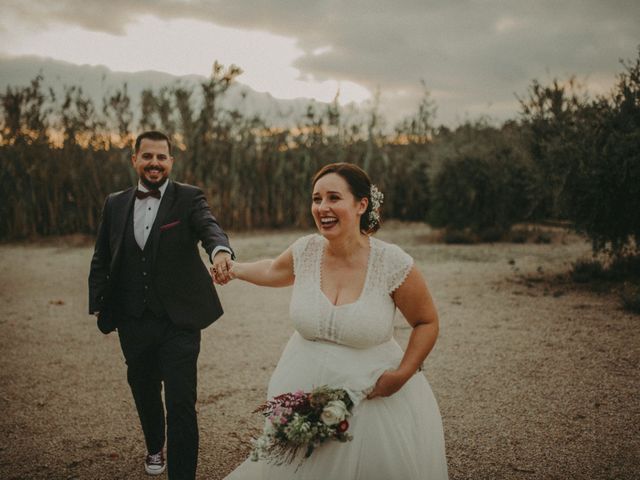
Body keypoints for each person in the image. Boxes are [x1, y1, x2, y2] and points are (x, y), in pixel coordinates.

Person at [221, 162, 448, 479]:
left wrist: (402, 374)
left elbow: (427, 321)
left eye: (333, 198)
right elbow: (273, 270)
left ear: (361, 204)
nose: (322, 208)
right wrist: (233, 269)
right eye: (316, 199)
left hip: (372, 400)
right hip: (301, 390)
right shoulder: (307, 250)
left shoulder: (391, 262)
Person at [88, 130, 234, 480]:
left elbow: (209, 228)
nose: (155, 163)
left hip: (179, 320)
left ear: (171, 161)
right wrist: (98, 302)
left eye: (162, 157)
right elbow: (102, 256)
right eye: (148, 156)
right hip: (132, 317)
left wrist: (221, 251)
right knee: (144, 388)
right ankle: (155, 446)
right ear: (134, 159)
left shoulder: (189, 198)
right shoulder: (115, 202)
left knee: (181, 402)